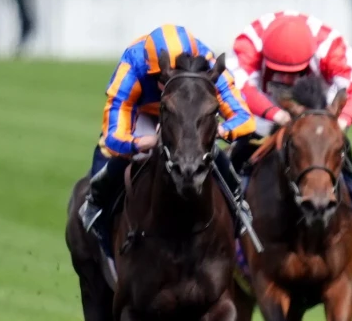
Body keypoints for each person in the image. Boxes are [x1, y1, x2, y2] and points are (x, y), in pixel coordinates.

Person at [78, 25, 257, 258]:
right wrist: (143, 142)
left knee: (209, 151)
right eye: (162, 79)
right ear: (154, 71)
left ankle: (237, 205)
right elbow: (113, 136)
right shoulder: (132, 66)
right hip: (143, 114)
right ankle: (97, 205)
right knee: (124, 157)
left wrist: (219, 131)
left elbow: (245, 119)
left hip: (186, 116)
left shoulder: (208, 65)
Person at [228, 11, 352, 222]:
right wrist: (277, 116)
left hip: (317, 101)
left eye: (294, 71)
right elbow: (238, 87)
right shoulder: (250, 42)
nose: (287, 78)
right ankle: (229, 199)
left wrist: (340, 122)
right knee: (244, 141)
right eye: (280, 71)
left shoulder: (329, 46)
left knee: (330, 142)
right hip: (263, 100)